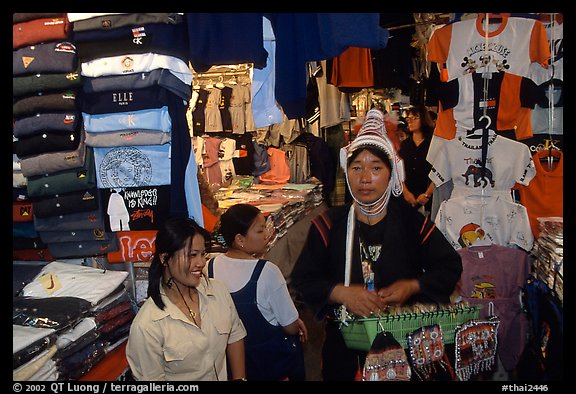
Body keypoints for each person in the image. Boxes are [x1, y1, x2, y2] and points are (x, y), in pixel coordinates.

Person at [290, 108, 462, 381]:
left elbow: (450, 265)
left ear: (392, 174)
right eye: (356, 168)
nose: (365, 178)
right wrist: (342, 293)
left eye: (376, 168)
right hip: (347, 350)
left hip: (407, 347)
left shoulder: (411, 222)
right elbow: (304, 278)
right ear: (347, 173)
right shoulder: (330, 224)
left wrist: (413, 286)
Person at [126, 216, 247, 381]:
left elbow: (235, 335)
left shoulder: (218, 292)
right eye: (192, 255)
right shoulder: (148, 325)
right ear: (165, 258)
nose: (201, 262)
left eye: (203, 254)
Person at [207, 203, 308, 381]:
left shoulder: (210, 267)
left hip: (229, 367)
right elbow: (290, 326)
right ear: (240, 239)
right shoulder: (268, 272)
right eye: (260, 231)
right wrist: (296, 322)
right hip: (268, 366)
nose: (267, 235)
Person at [399, 105, 436, 214]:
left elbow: (439, 170)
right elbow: (398, 171)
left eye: (414, 118)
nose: (410, 121)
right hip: (407, 196)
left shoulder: (433, 144)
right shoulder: (404, 145)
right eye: (408, 119)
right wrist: (405, 192)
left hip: (428, 196)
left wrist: (427, 194)